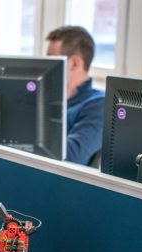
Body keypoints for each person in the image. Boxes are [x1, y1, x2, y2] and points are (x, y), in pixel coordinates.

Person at [46, 25, 105, 166]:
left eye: (52, 61)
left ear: (75, 63)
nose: (47, 67)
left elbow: (72, 157)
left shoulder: (99, 105)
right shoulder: (47, 97)